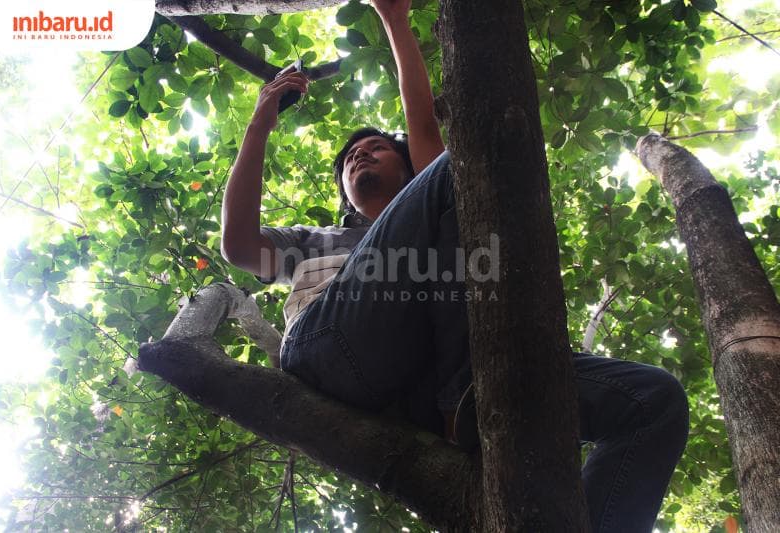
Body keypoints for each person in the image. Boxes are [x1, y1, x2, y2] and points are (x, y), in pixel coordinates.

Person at [220, 1, 689, 531]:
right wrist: (262, 115)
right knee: (455, 171)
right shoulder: (316, 241)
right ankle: (460, 396)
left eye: (375, 148)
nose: (359, 157)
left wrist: (394, 18)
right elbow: (238, 247)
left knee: (652, 401)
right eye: (350, 160)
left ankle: (467, 403)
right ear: (347, 199)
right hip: (332, 345)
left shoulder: (440, 197)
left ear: (407, 168)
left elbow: (425, 131)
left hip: (427, 386)